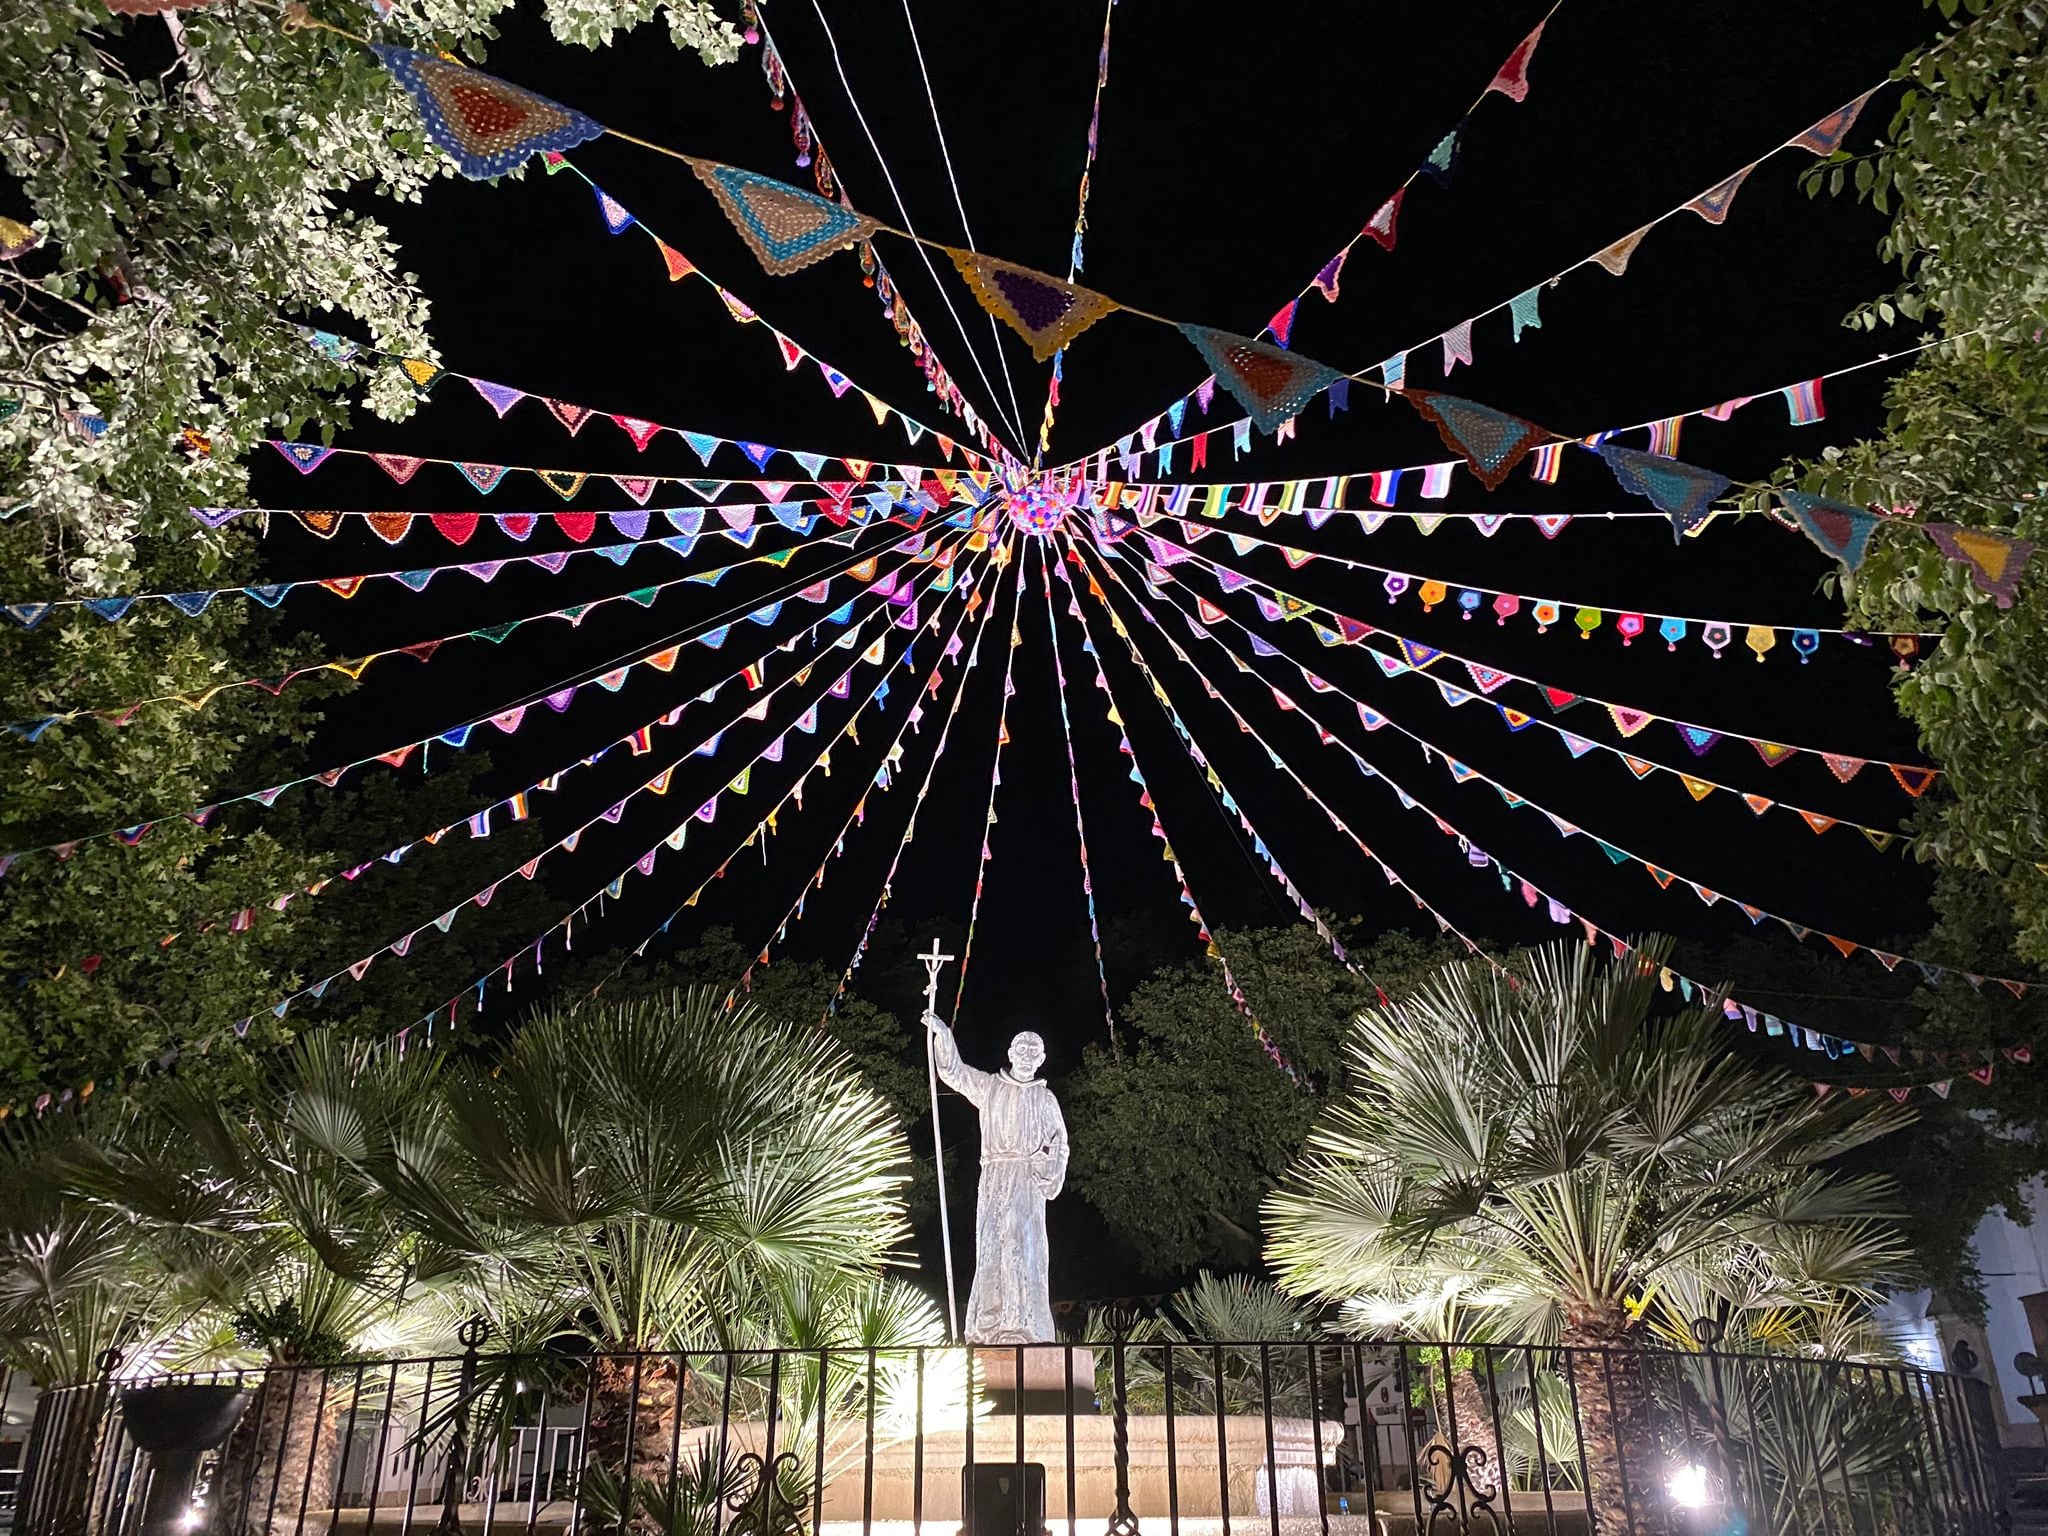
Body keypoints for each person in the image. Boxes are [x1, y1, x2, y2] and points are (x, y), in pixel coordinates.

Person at [923, 1011, 1068, 1344]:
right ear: (1011, 1054)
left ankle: (1022, 1326)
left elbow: (1059, 1141)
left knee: (1022, 1247)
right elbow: (953, 1073)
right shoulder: (990, 1087)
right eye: (1023, 1051)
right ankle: (989, 1325)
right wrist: (943, 1036)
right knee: (992, 1247)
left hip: (1026, 1181)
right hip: (994, 1178)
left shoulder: (1044, 1098)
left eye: (1035, 1053)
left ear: (1042, 1059)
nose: (1028, 1058)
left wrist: (1048, 1171)